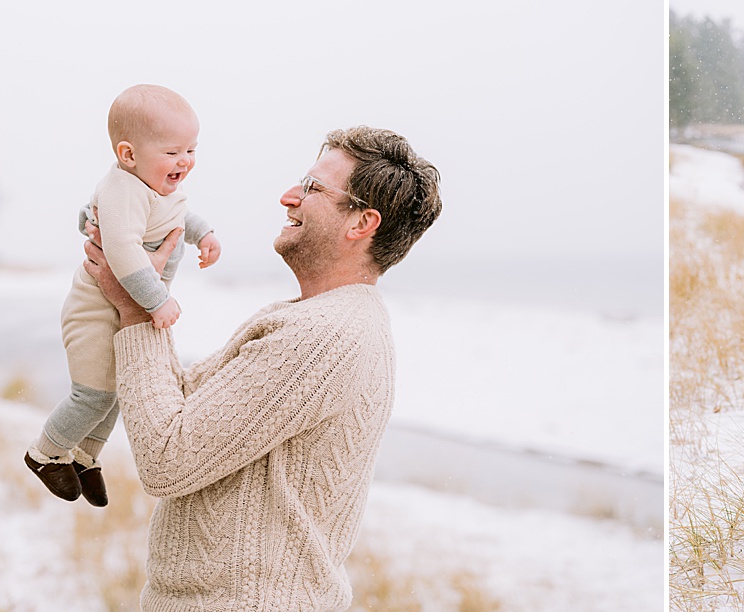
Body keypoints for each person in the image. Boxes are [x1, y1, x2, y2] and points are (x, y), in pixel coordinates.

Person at [83, 126, 440, 609]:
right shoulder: (316, 319)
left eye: (313, 188)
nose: (288, 196)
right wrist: (149, 291)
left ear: (361, 222)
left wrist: (134, 309)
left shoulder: (321, 337)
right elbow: (181, 404)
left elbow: (165, 458)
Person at [24, 84, 222, 507]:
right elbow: (123, 251)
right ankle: (45, 454)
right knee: (92, 395)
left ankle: (84, 457)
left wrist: (203, 234)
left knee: (117, 391)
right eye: (173, 151)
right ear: (128, 155)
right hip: (94, 312)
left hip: (119, 309)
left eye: (191, 150)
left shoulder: (154, 187)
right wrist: (157, 300)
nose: (185, 160)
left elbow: (177, 214)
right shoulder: (122, 189)